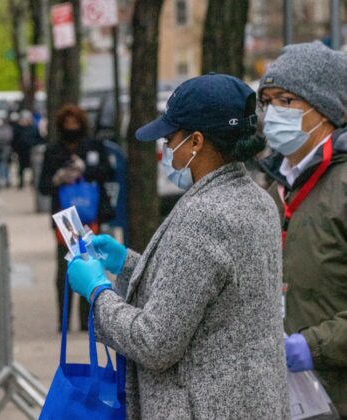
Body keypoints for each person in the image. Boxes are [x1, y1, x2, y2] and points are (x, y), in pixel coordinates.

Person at [67, 74, 289, 419]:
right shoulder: (256, 200)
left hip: (202, 405)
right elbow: (211, 293)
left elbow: (154, 342)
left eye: (171, 139)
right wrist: (128, 263)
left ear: (196, 141)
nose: (167, 149)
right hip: (251, 401)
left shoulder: (205, 215)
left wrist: (98, 293)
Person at [257, 41, 347, 418]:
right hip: (290, 401)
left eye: (287, 100)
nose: (274, 112)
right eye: (268, 100)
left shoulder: (341, 186)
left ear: (323, 110)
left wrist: (312, 346)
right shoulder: (278, 186)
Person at [38, 103, 114, 331]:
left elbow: (108, 172)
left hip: (89, 215)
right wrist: (59, 178)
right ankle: (64, 319)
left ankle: (86, 319)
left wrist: (85, 170)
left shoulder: (94, 146)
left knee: (89, 262)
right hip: (65, 217)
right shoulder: (54, 151)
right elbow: (43, 185)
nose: (71, 127)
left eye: (75, 122)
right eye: (67, 123)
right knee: (65, 267)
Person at [12, 110, 42, 188]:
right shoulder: (18, 128)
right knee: (21, 167)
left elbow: (39, 139)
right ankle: (21, 182)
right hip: (21, 151)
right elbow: (15, 140)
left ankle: (33, 182)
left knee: (33, 167)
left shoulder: (34, 128)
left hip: (32, 151)